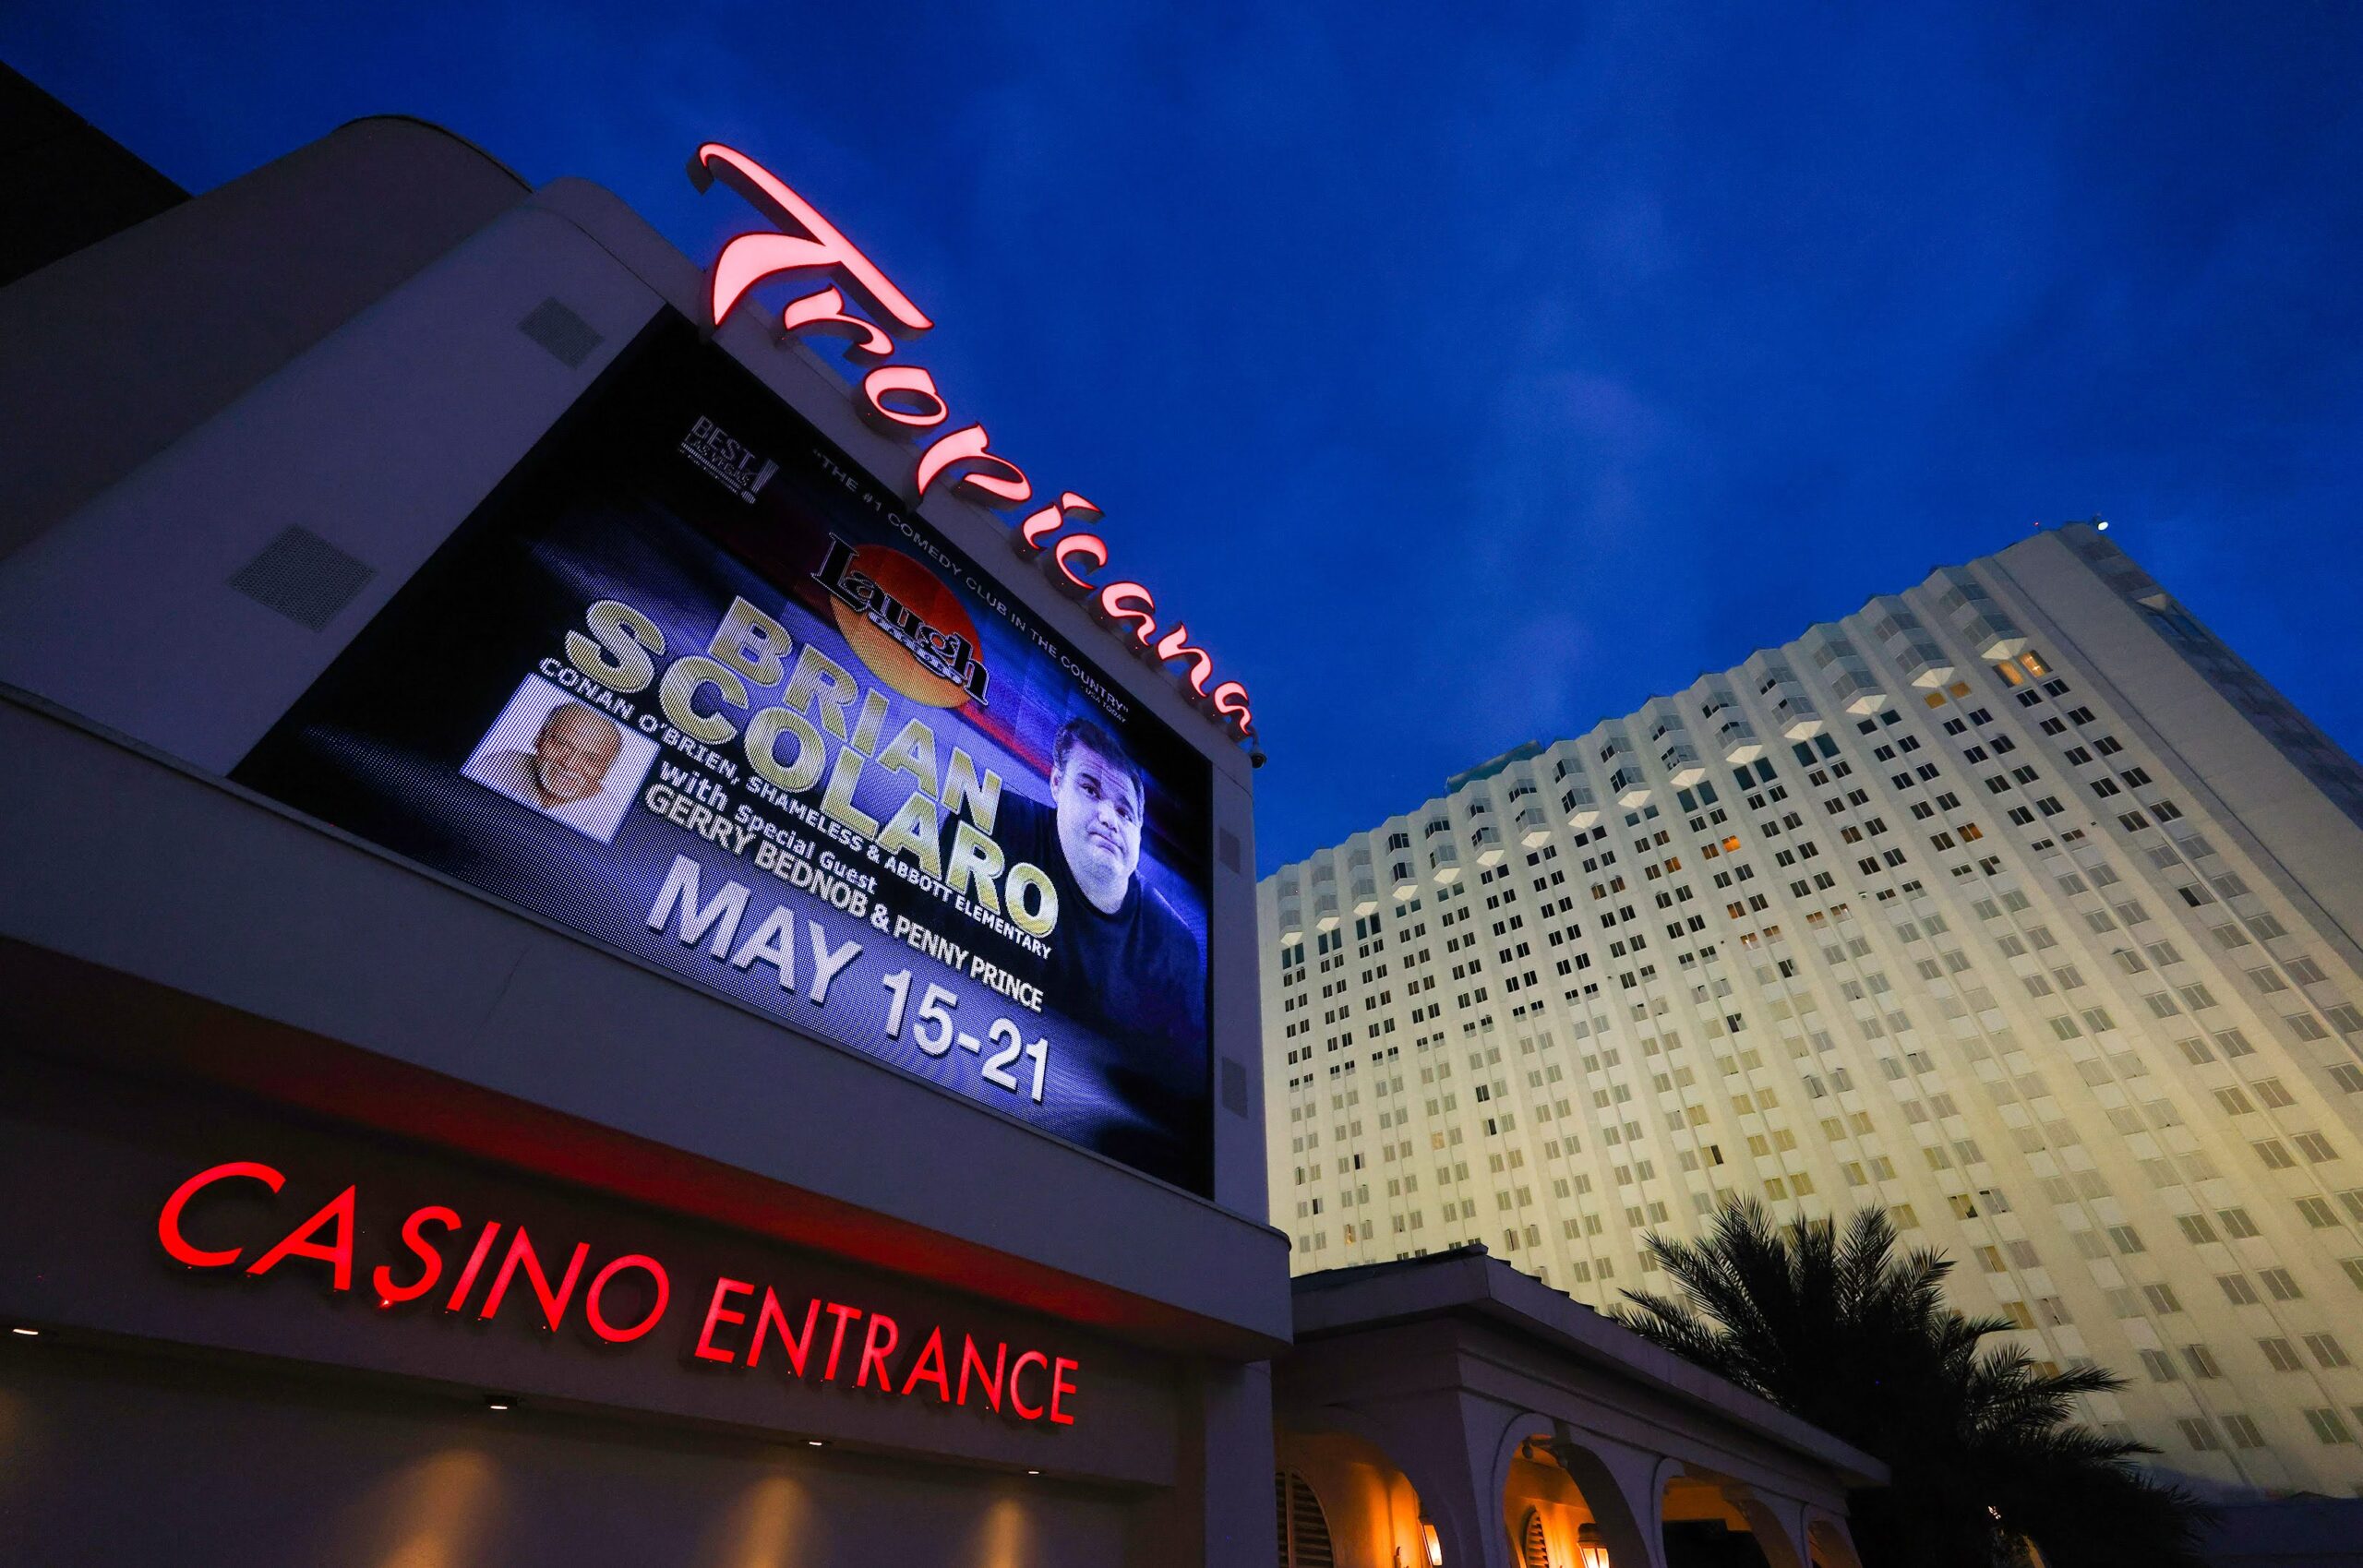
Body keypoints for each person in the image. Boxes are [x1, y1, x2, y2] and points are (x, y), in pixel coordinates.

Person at [990, 716, 1205, 1055]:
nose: (1109, 818)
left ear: (1139, 831)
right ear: (1057, 784)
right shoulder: (996, 823)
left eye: (1124, 811)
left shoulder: (1173, 946)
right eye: (1090, 790)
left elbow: (1182, 1087)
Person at [469, 700, 626, 832]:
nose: (569, 764)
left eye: (591, 759)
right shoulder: (501, 764)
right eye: (561, 744)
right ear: (540, 737)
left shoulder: (611, 816)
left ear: (606, 770)